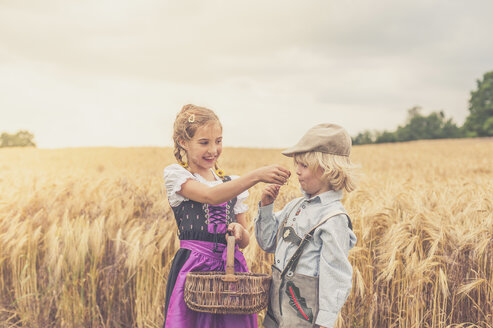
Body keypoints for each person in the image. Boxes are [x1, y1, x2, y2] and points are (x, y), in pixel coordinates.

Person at [162, 104, 291, 328]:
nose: (213, 149)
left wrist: (240, 233)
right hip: (193, 268)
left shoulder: (232, 183)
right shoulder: (177, 176)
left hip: (230, 269)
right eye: (204, 143)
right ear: (183, 142)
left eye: (218, 141)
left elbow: (245, 240)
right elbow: (211, 196)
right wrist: (257, 175)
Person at [254, 123, 358, 328]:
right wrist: (266, 207)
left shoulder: (333, 218)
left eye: (304, 166)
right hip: (276, 313)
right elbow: (267, 243)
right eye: (297, 164)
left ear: (328, 169)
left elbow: (335, 274)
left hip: (304, 318)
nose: (297, 172)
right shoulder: (295, 206)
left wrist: (325, 322)